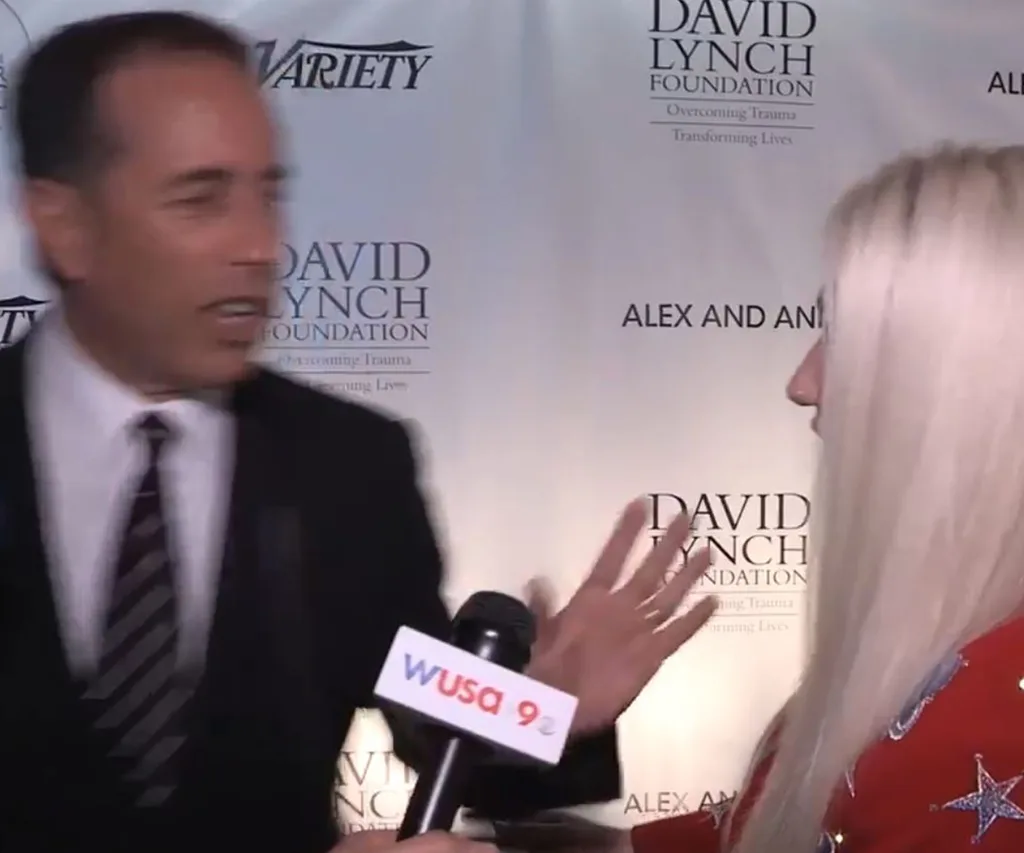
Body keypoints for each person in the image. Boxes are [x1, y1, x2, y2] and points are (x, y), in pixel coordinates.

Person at [0, 12, 718, 853]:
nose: (259, 246)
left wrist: (540, 710)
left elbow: (434, 721)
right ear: (64, 225)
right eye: (200, 199)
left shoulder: (346, 465)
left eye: (269, 195)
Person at [511, 145, 1024, 853]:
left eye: (845, 334)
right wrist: (534, 715)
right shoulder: (929, 666)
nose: (801, 383)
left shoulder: (978, 730)